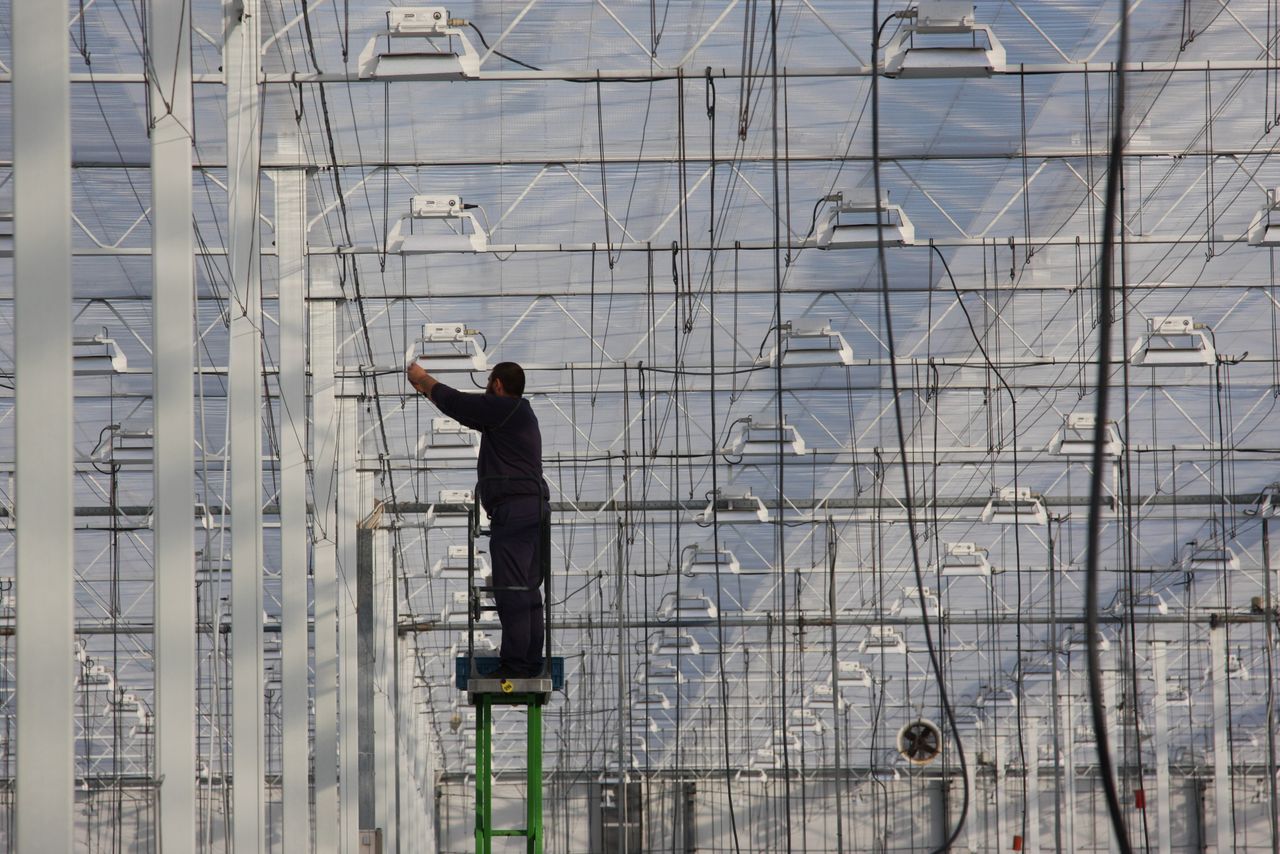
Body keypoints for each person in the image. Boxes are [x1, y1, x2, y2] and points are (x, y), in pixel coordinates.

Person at [407, 359, 548, 679]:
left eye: (488, 383)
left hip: (514, 511)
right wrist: (429, 393)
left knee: (511, 589)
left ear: (497, 384)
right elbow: (465, 411)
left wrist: (423, 378)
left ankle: (515, 664)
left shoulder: (505, 409)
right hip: (532, 510)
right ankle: (529, 661)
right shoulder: (516, 415)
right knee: (526, 589)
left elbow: (460, 404)